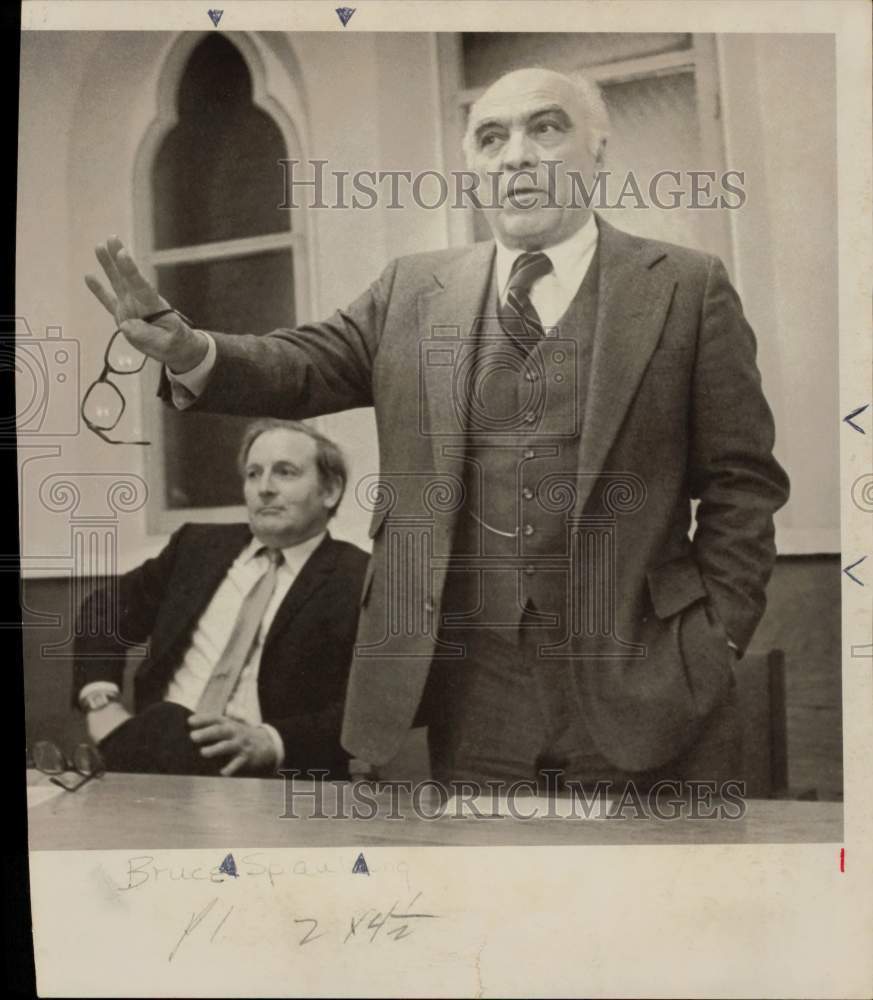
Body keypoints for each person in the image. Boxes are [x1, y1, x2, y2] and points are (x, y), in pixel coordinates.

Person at [84, 67, 789, 789]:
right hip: (474, 695)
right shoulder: (412, 291)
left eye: (544, 128)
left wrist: (713, 638)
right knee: (487, 894)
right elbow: (299, 365)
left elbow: (743, 482)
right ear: (474, 172)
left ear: (598, 152)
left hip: (644, 682)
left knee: (645, 896)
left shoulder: (685, 285)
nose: (515, 155)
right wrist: (194, 351)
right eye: (491, 137)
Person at [72, 419, 368, 778]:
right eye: (253, 474)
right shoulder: (197, 548)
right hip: (157, 759)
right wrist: (100, 700)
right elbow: (104, 608)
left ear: (331, 490)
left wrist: (272, 742)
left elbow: (371, 707)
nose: (265, 489)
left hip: (269, 779)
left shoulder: (359, 578)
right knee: (165, 722)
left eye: (285, 473)